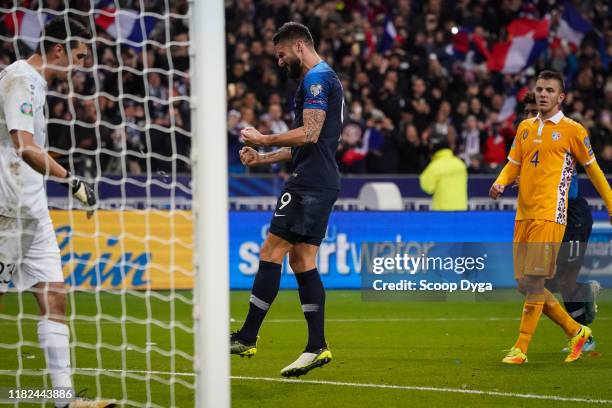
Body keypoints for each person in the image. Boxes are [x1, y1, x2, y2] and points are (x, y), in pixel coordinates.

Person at [0, 17, 114, 407]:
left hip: (33, 209)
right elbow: (24, 146)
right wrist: (72, 180)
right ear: (59, 49)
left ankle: (65, 401)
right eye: (80, 55)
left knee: (55, 298)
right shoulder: (20, 78)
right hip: (7, 209)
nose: (83, 63)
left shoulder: (37, 85)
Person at [230, 22, 343, 378]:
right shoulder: (324, 79)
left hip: (308, 184)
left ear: (298, 46)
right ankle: (316, 346)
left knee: (271, 251)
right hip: (320, 179)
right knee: (303, 260)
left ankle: (247, 336)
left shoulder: (316, 80)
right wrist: (263, 158)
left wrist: (263, 139)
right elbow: (311, 144)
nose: (279, 62)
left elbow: (309, 133)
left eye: (280, 54)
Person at [489, 71, 612, 364]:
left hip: (551, 215)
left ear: (561, 97)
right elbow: (512, 164)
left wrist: (610, 203)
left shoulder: (573, 130)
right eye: (539, 89)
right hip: (524, 215)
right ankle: (576, 330)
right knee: (523, 284)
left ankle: (520, 348)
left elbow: (594, 171)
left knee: (534, 280)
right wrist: (501, 181)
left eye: (549, 90)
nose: (542, 94)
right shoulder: (524, 128)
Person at [521, 92, 599, 352]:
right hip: (546, 215)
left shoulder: (562, 137)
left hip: (571, 215)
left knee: (557, 283)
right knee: (535, 284)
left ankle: (582, 335)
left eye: (536, 111)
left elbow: (571, 188)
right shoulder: (527, 139)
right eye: (529, 112)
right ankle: (579, 327)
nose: (533, 116)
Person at [419, 134, 468, 211]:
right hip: (461, 209)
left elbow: (427, 187)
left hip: (442, 211)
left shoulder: (435, 166)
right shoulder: (460, 164)